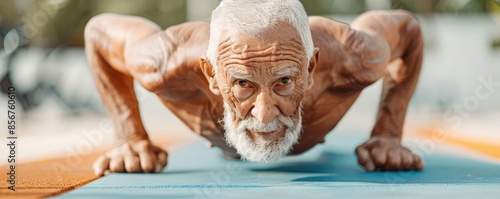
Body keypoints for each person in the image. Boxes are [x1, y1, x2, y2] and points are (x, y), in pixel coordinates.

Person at [85, 0, 424, 176]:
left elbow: (408, 30)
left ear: (311, 68)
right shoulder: (165, 61)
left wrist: (388, 132)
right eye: (243, 83)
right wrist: (130, 136)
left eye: (284, 82)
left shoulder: (353, 55)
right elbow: (98, 32)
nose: (264, 114)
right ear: (211, 75)